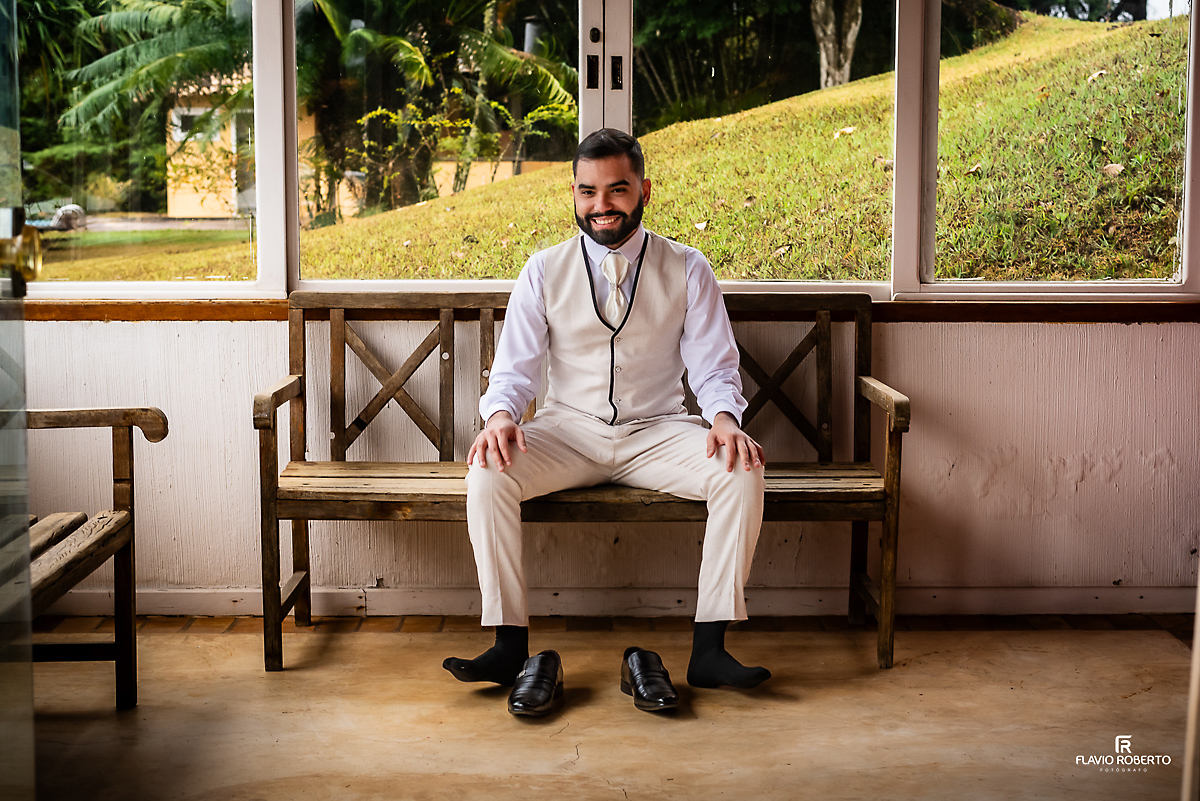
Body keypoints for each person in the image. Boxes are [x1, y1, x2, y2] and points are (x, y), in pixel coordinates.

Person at [444, 128, 769, 717]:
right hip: (570, 430)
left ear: (644, 190)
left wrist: (723, 419)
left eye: (617, 190)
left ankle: (710, 648)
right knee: (488, 470)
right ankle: (506, 644)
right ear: (573, 193)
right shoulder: (543, 270)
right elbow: (515, 372)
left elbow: (714, 364)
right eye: (588, 192)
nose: (602, 206)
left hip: (658, 429)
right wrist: (499, 418)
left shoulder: (688, 267)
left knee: (740, 471)